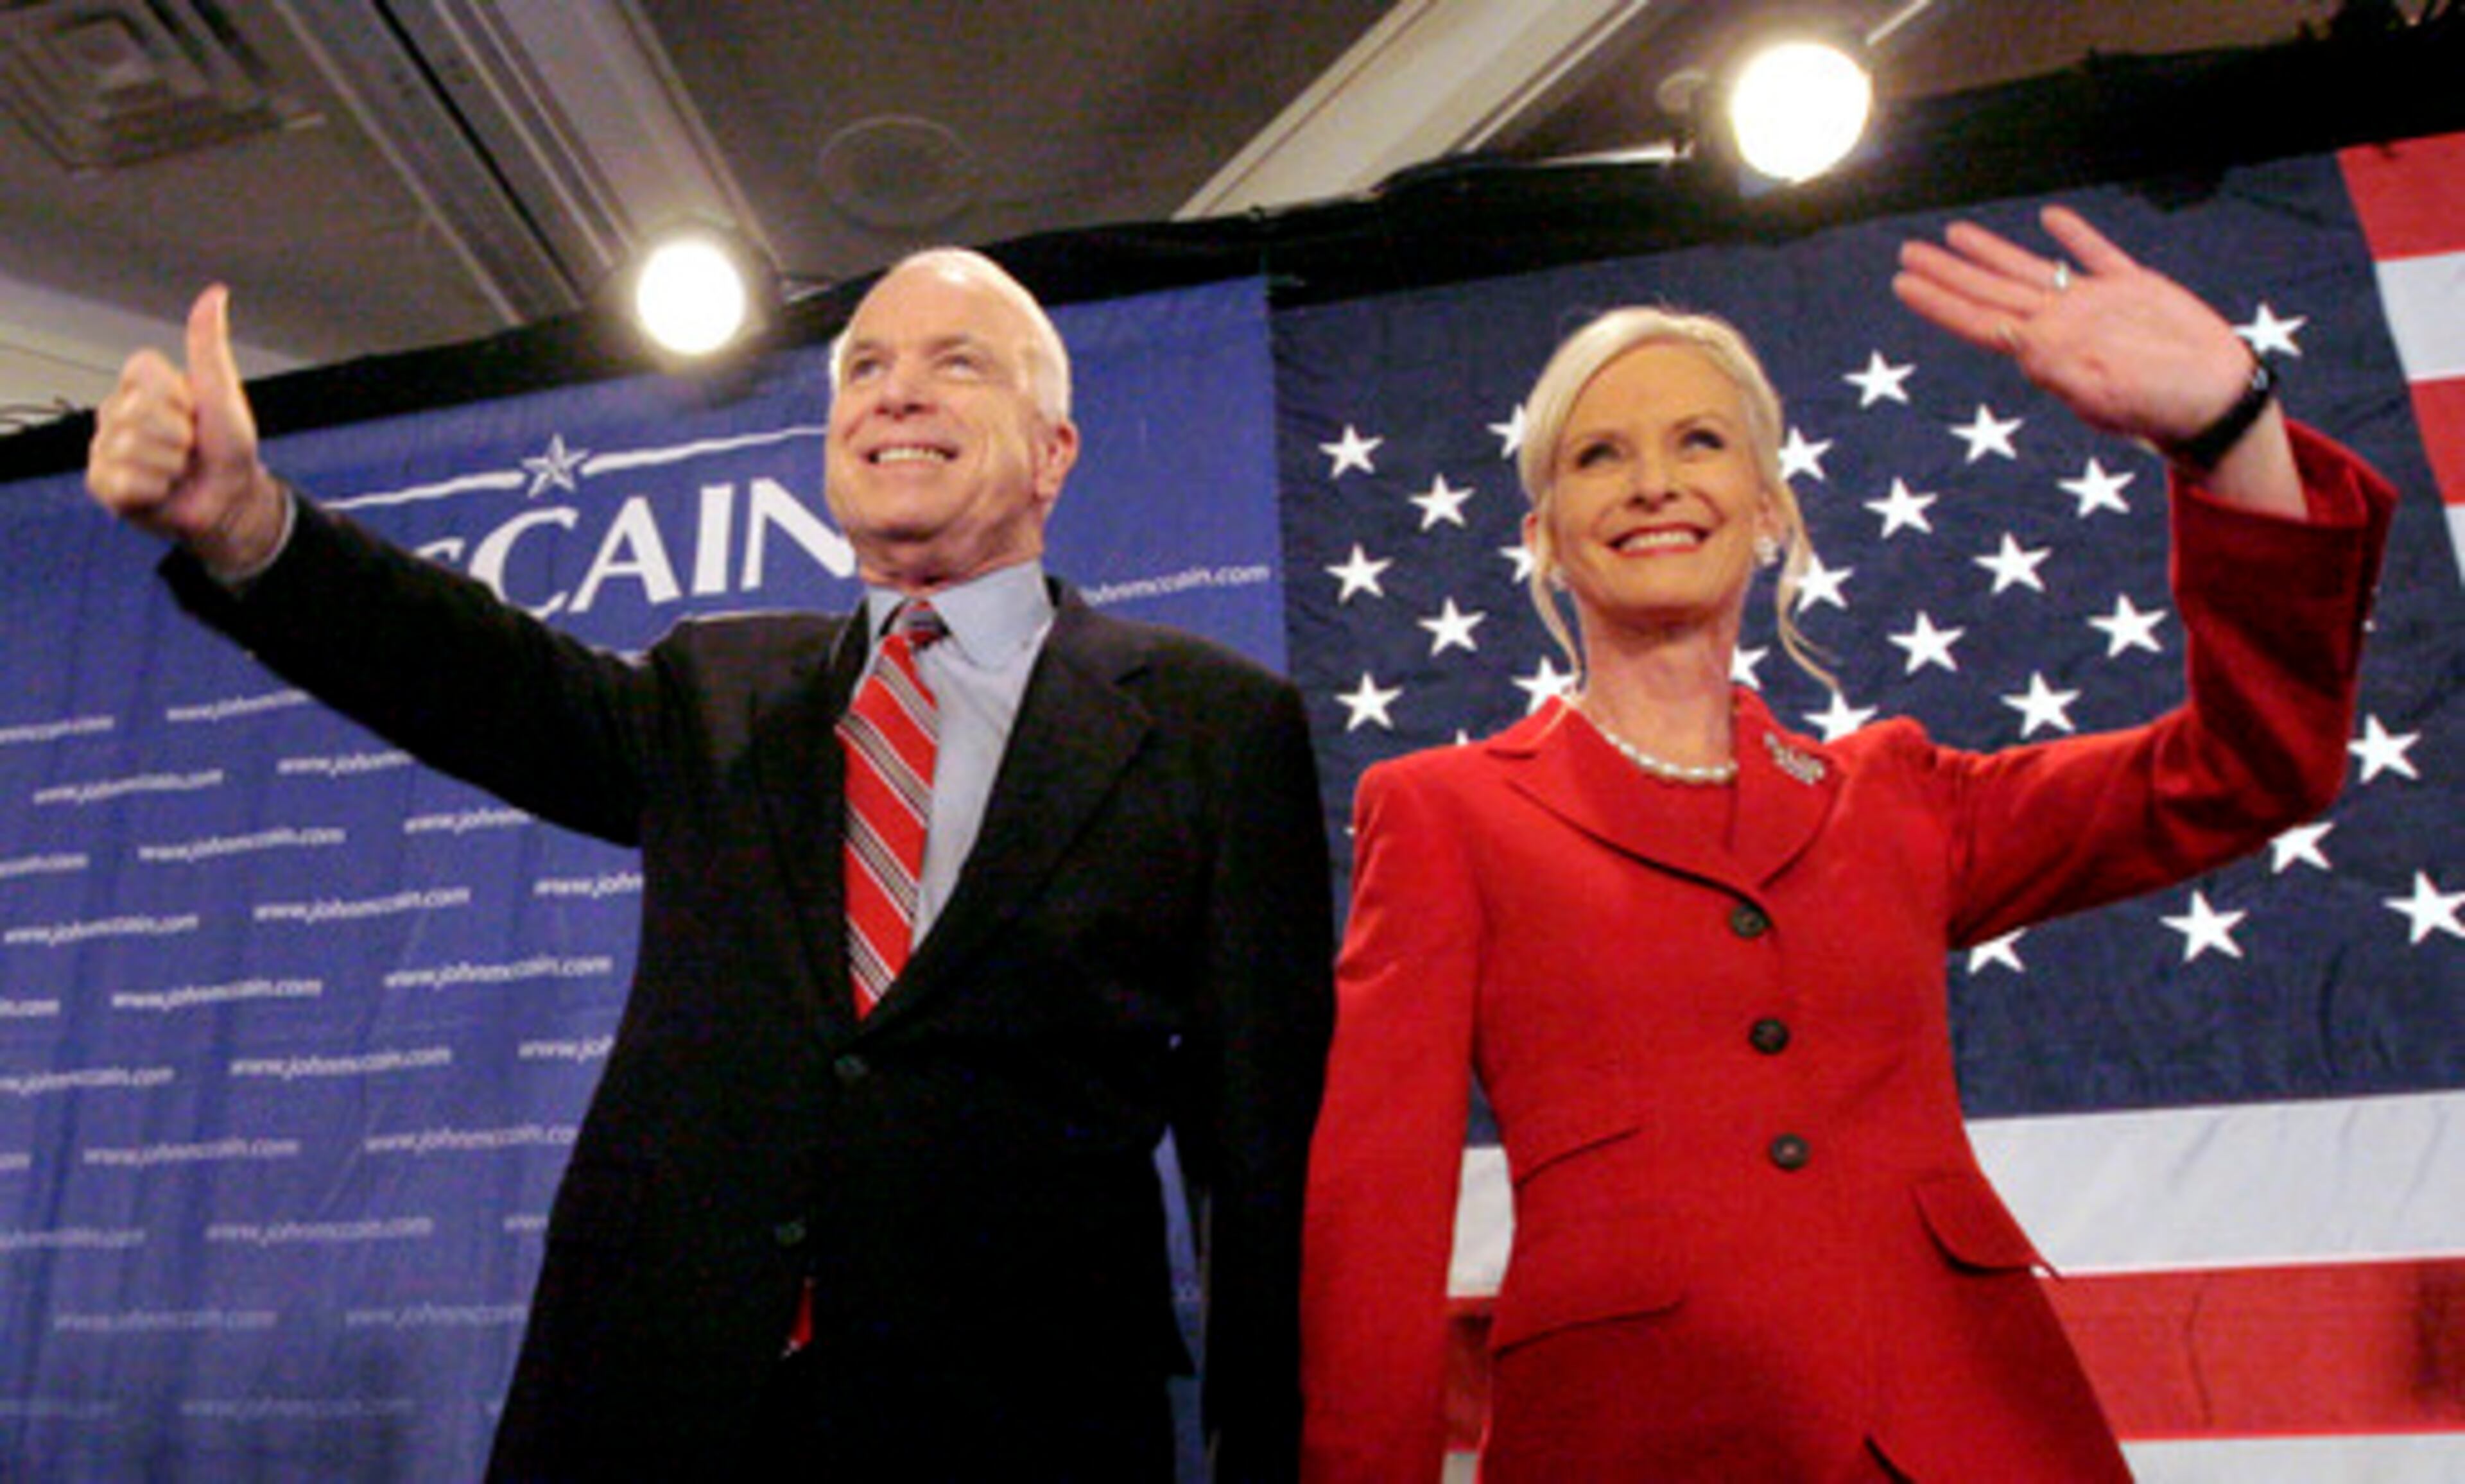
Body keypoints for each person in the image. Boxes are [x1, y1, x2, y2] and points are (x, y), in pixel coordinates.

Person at [86, 248, 1335, 1481]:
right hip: (654, 1402)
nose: (896, 393)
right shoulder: (718, 687)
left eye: (959, 363)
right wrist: (249, 528)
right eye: (865, 368)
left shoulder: (1211, 725)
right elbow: (476, 676)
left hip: (1011, 1421)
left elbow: (1264, 1161)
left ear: (1055, 450)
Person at [1297, 205, 2395, 1482]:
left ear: (1769, 508)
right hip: (1634, 1437)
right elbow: (1374, 1220)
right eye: (1600, 454)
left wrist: (2230, 428)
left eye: (1701, 440)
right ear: (1543, 534)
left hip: (1973, 1427)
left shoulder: (1894, 795)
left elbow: (2251, 770)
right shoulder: (1444, 812)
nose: (1655, 480)